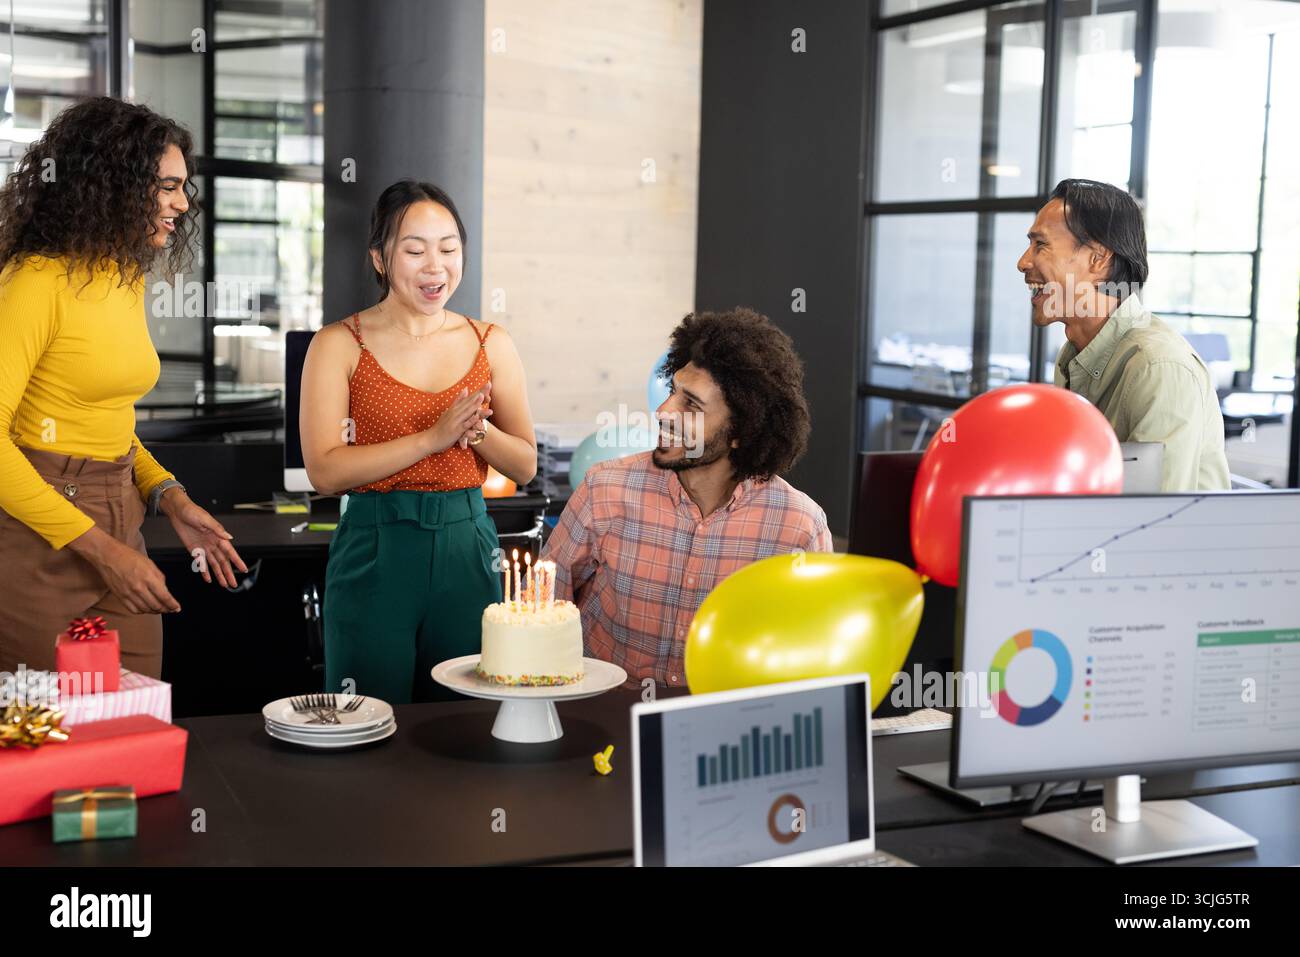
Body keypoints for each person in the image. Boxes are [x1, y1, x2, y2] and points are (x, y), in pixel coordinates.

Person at [0, 97, 247, 678]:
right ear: (110, 185)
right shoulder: (33, 282)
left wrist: (170, 496)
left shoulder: (123, 276)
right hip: (39, 535)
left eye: (183, 187)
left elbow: (108, 420)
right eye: (166, 187)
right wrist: (102, 551)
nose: (182, 204)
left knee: (134, 732)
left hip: (120, 517)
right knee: (49, 751)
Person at [300, 180, 537, 703]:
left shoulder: (490, 343)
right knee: (368, 715)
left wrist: (477, 431)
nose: (436, 266)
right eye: (415, 250)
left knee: (466, 716)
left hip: (467, 545)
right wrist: (433, 438)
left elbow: (524, 465)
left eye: (449, 249)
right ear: (380, 259)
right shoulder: (338, 344)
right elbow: (325, 471)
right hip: (374, 546)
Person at [542, 307, 833, 690]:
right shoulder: (605, 490)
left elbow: (810, 659)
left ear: (740, 431)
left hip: (725, 730)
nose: (663, 412)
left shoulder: (798, 528)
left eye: (691, 405)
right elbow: (543, 606)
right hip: (602, 721)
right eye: (672, 392)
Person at [1019, 178, 1229, 491]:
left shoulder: (1158, 367)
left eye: (1041, 245)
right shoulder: (1073, 355)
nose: (1023, 262)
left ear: (1098, 259)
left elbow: (1155, 524)